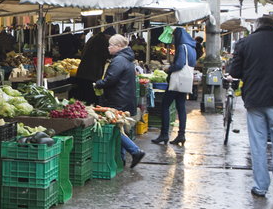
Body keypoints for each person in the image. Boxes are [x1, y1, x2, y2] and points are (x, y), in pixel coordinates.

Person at [228, 16, 273, 198]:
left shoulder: (245, 43)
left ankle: (260, 187)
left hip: (255, 100)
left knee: (258, 144)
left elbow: (234, 72)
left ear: (256, 27)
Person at [94, 34, 145, 168]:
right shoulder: (125, 58)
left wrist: (99, 83)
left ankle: (135, 151)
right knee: (120, 128)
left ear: (118, 46)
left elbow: (111, 79)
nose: (108, 48)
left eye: (111, 45)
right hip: (124, 97)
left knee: (116, 128)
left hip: (118, 99)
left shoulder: (119, 60)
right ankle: (121, 160)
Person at [151, 27, 197, 146]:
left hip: (177, 81)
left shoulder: (182, 47)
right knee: (181, 107)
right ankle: (181, 135)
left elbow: (179, 64)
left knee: (165, 105)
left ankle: (164, 134)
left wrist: (168, 69)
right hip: (186, 81)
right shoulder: (192, 48)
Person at [73, 27, 113, 104]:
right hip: (91, 74)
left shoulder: (93, 38)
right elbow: (108, 54)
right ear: (108, 36)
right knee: (90, 99)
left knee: (83, 98)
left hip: (82, 72)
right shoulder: (103, 40)